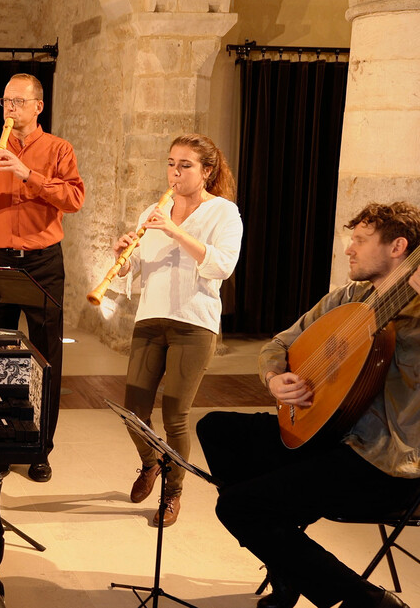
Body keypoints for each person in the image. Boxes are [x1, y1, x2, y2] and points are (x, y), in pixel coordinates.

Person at [197, 201, 420, 608]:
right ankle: (286, 560)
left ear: (398, 247)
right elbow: (280, 343)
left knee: (238, 506)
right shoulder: (351, 298)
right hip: (331, 434)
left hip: (384, 464)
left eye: (360, 241)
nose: (348, 250)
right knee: (215, 428)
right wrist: (274, 378)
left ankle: (368, 601)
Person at [0, 72, 85, 483]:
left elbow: (74, 198)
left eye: (18, 102)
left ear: (38, 106)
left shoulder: (60, 149)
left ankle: (41, 448)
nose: (10, 109)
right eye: (6, 101)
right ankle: (2, 444)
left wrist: (28, 174)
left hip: (42, 262)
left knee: (46, 358)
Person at [112, 134, 242, 527]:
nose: (175, 172)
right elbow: (138, 269)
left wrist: (174, 231)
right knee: (133, 410)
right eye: (171, 163)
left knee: (176, 415)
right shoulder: (153, 210)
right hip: (151, 317)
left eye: (185, 165)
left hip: (195, 321)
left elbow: (221, 266)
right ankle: (150, 464)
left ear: (206, 171)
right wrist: (123, 261)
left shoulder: (223, 213)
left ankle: (173, 492)